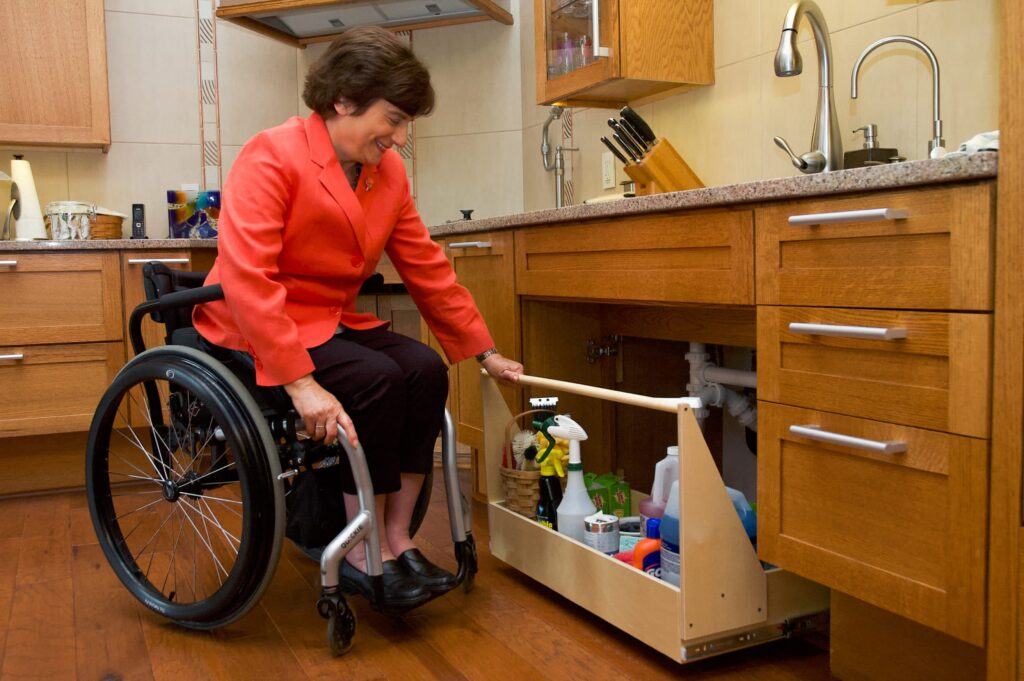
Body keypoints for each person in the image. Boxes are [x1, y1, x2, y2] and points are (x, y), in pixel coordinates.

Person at [193, 26, 523, 609]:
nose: (399, 137)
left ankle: (395, 538)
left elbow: (426, 266)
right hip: (256, 321)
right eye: (393, 120)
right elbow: (246, 277)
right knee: (375, 380)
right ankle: (359, 547)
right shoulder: (272, 153)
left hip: (328, 320)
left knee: (423, 369)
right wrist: (298, 382)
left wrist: (482, 349)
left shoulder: (386, 174)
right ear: (343, 100)